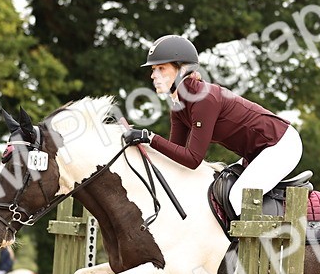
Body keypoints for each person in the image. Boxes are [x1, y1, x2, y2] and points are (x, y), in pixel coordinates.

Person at [123, 35, 302, 221]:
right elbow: (175, 157)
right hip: (257, 152)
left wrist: (150, 137)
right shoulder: (178, 106)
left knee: (236, 199)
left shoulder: (203, 98)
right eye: (153, 69)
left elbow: (193, 159)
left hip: (281, 145)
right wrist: (144, 146)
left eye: (161, 68)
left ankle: (254, 249)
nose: (154, 75)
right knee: (216, 192)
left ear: (182, 69)